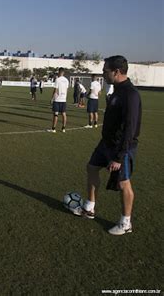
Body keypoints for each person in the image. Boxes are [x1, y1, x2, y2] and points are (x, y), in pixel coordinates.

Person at [72, 55, 141, 236]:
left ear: (117, 72)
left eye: (105, 71)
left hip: (120, 147)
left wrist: (120, 156)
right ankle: (89, 208)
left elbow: (130, 127)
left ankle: (126, 223)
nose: (103, 73)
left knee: (124, 183)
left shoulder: (130, 94)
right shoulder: (116, 90)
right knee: (92, 167)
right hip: (106, 143)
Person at [47, 67, 68, 133]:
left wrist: (52, 98)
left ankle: (53, 129)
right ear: (63, 72)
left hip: (57, 99)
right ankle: (63, 128)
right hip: (63, 99)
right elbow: (67, 90)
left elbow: (55, 90)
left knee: (56, 114)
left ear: (59, 72)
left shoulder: (57, 80)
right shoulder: (67, 80)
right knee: (64, 114)